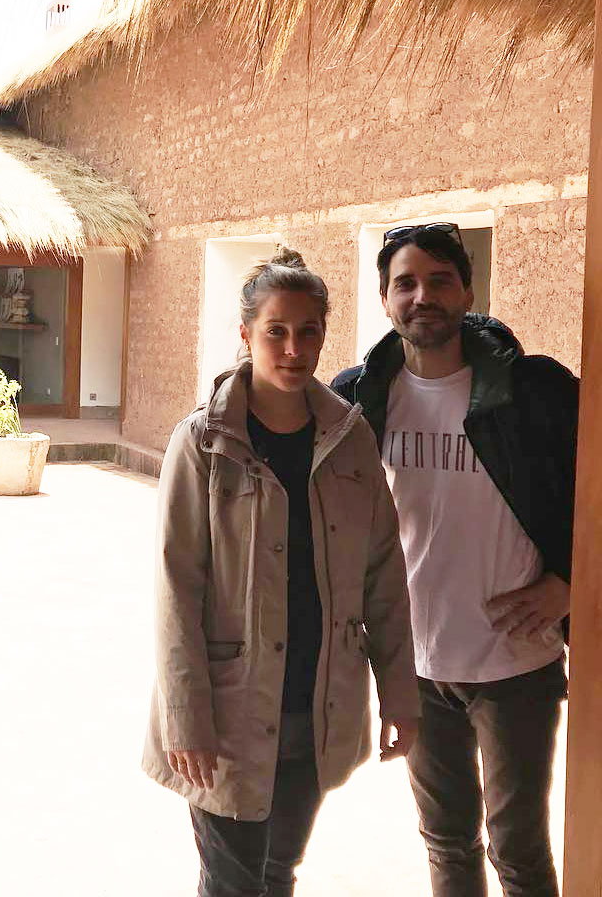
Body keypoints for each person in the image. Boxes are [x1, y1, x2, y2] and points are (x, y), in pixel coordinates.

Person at [143, 249, 420, 897]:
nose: (294, 348)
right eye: (276, 330)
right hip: (225, 712)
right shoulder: (203, 443)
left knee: (277, 872)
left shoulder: (350, 440)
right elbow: (175, 588)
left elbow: (384, 575)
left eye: (309, 331)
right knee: (233, 880)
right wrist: (185, 714)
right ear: (245, 335)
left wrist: (400, 693)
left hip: (317, 706)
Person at [332, 222, 577, 897]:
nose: (423, 295)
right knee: (446, 843)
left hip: (515, 664)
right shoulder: (357, 397)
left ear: (468, 290)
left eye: (440, 280)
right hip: (416, 662)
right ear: (384, 298)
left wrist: (571, 584)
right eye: (405, 282)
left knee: (520, 847)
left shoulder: (537, 392)